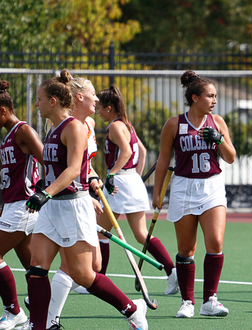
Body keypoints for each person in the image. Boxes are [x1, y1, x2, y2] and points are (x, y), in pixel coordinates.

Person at [25, 69, 147, 330]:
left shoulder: (75, 128)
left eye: (39, 99)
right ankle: (40, 326)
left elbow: (72, 170)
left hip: (71, 206)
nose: (36, 103)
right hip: (52, 208)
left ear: (53, 101)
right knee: (37, 267)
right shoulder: (51, 129)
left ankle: (133, 310)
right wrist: (42, 187)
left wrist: (46, 192)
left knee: (83, 274)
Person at [152, 70, 235, 319]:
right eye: (210, 96)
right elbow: (163, 160)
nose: (214, 100)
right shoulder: (174, 124)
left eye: (216, 96)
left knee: (215, 242)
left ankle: (210, 300)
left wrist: (219, 140)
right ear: (196, 97)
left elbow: (230, 157)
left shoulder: (217, 122)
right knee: (186, 249)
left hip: (212, 186)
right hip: (183, 187)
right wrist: (157, 193)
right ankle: (187, 302)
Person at [95, 85, 178, 295]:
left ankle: (99, 280)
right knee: (139, 234)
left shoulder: (114, 126)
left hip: (120, 183)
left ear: (109, 108)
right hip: (130, 181)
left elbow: (127, 150)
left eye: (100, 108)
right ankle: (172, 272)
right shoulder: (127, 124)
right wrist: (135, 177)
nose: (97, 112)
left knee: (101, 233)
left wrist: (113, 174)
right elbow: (141, 150)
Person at [46, 74, 105, 329]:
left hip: (81, 194)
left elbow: (84, 164)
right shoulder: (63, 126)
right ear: (80, 96)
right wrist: (81, 190)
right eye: (94, 94)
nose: (98, 99)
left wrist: (92, 178)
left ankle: (45, 310)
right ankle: (47, 316)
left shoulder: (89, 124)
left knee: (94, 264)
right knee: (75, 266)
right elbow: (62, 167)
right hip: (67, 200)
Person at [0, 80, 43, 330]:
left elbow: (46, 159)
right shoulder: (7, 137)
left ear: (3, 110)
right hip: (11, 206)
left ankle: (14, 312)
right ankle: (43, 315)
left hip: (23, 206)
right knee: (34, 268)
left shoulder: (23, 130)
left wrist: (43, 190)